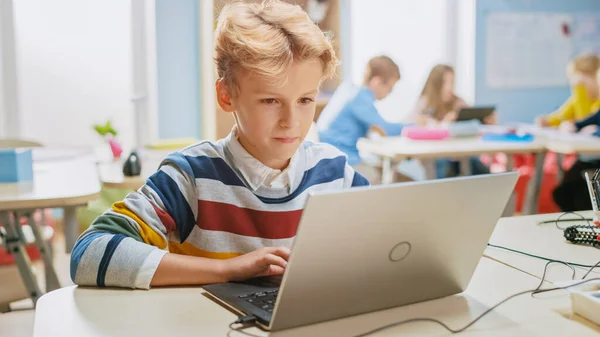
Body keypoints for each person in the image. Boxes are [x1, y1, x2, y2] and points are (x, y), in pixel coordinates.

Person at [69, 0, 369, 289]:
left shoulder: (336, 173)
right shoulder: (191, 176)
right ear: (226, 95)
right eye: (270, 100)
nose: (291, 120)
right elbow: (88, 254)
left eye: (305, 99)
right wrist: (226, 270)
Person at [319, 55, 405, 183]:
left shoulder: (349, 89)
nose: (390, 93)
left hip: (330, 158)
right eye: (390, 87)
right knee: (391, 182)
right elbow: (386, 129)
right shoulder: (360, 98)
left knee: (390, 175)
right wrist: (418, 127)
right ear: (377, 81)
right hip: (342, 162)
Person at [411, 64, 491, 178]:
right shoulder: (424, 105)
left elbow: (473, 117)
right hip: (436, 159)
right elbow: (419, 126)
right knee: (443, 164)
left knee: (479, 168)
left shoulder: (458, 103)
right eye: (444, 83)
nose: (449, 88)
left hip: (460, 156)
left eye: (451, 83)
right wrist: (444, 124)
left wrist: (485, 119)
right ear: (435, 85)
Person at [536, 53, 600, 127]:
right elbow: (562, 116)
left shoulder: (586, 98)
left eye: (582, 83)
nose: (578, 86)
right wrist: (547, 121)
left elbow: (586, 121)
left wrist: (580, 91)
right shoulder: (577, 100)